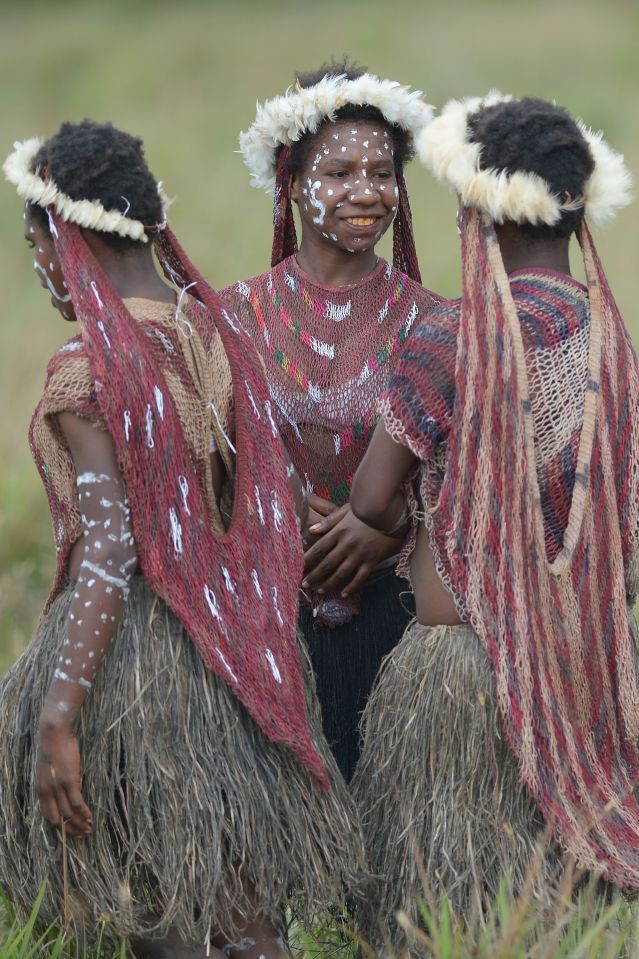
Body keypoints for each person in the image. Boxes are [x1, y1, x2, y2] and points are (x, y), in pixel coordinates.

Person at [0, 121, 366, 959]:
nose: (42, 271)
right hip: (235, 658)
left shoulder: (89, 367)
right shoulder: (213, 337)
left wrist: (58, 718)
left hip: (138, 675)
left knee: (165, 919)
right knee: (240, 910)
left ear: (64, 239)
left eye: (36, 247)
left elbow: (109, 551)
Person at [349, 93, 639, 941]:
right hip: (576, 668)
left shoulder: (453, 338)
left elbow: (369, 499)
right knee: (552, 904)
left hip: (462, 667)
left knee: (439, 913)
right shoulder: (611, 347)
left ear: (483, 206)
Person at [222, 62, 441, 780]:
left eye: (381, 173)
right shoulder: (228, 320)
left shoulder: (435, 324)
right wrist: (277, 515)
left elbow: (463, 481)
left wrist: (387, 527)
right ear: (291, 184)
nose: (365, 192)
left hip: (399, 616)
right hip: (266, 619)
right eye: (339, 171)